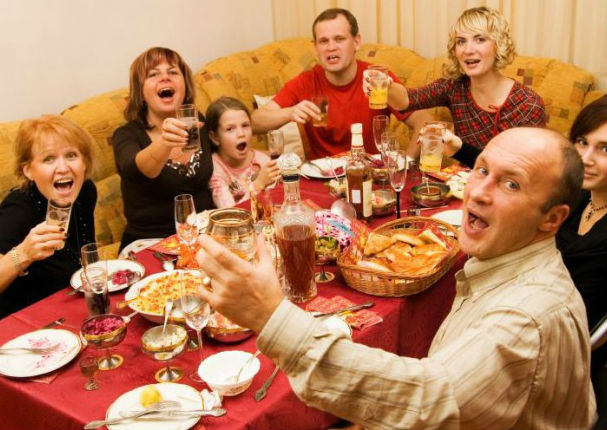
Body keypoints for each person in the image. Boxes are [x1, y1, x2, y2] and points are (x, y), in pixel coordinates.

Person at [194, 127, 596, 429]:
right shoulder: (505, 260)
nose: (478, 193)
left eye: (511, 184)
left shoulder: (525, 315)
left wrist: (270, 315)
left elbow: (429, 399)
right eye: (481, 170)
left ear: (553, 218)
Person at [251, 8, 432, 160]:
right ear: (315, 48)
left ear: (356, 42)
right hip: (322, 182)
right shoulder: (306, 82)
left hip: (370, 179)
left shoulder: (376, 78)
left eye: (339, 39)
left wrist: (404, 165)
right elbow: (255, 122)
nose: (331, 47)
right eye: (324, 41)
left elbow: (426, 123)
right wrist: (289, 113)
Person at [379, 6, 546, 165]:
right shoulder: (454, 87)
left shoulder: (527, 105)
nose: (468, 50)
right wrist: (386, 86)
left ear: (499, 46)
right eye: (461, 41)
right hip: (461, 186)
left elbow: (522, 173)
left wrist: (459, 148)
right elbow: (406, 100)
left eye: (480, 39)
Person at [112, 47, 214, 249]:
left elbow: (229, 146)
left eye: (173, 72)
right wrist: (164, 143)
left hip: (203, 235)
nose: (165, 78)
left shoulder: (196, 122)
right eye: (153, 74)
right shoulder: (126, 135)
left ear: (185, 87)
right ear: (140, 92)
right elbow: (135, 170)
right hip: (151, 244)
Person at [0, 116, 96, 318]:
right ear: (28, 170)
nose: (63, 168)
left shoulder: (85, 192)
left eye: (71, 155)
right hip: (25, 325)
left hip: (71, 308)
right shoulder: (18, 210)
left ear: (84, 162)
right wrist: (23, 254)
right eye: (48, 159)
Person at [556, 95, 607, 425]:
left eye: (605, 149)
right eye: (582, 142)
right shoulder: (579, 198)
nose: (586, 158)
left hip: (573, 356)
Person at [206, 97, 280, 208]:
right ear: (215, 137)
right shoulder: (214, 168)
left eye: (245, 125)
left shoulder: (263, 161)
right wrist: (258, 184)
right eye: (230, 129)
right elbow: (230, 212)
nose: (241, 133)